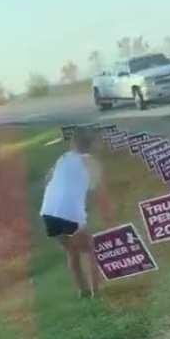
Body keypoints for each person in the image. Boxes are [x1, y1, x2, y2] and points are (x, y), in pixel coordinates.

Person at [40, 126, 113, 297]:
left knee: (72, 251)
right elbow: (99, 194)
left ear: (73, 145)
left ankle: (82, 290)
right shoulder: (92, 163)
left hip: (49, 212)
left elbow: (47, 180)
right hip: (69, 212)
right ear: (93, 145)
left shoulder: (63, 159)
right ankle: (96, 290)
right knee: (92, 249)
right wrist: (107, 216)